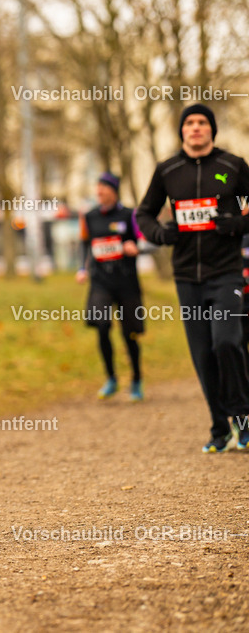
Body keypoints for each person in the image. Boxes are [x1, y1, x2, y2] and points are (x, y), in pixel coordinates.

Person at [136, 103, 249, 453]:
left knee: (227, 342)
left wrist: (238, 224)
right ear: (182, 131)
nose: (196, 128)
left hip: (226, 272)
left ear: (211, 130)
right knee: (203, 354)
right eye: (190, 123)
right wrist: (160, 235)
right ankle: (218, 428)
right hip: (186, 277)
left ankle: (243, 420)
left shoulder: (232, 166)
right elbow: (143, 213)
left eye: (202, 122)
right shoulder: (168, 170)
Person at [76, 172, 145, 401]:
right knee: (102, 326)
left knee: (130, 333)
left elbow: (142, 240)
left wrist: (135, 247)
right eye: (97, 188)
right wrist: (83, 268)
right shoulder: (90, 217)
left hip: (126, 281)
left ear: (114, 191)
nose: (99, 192)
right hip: (101, 281)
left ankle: (136, 379)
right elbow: (85, 245)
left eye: (104, 188)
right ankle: (111, 378)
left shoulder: (129, 214)